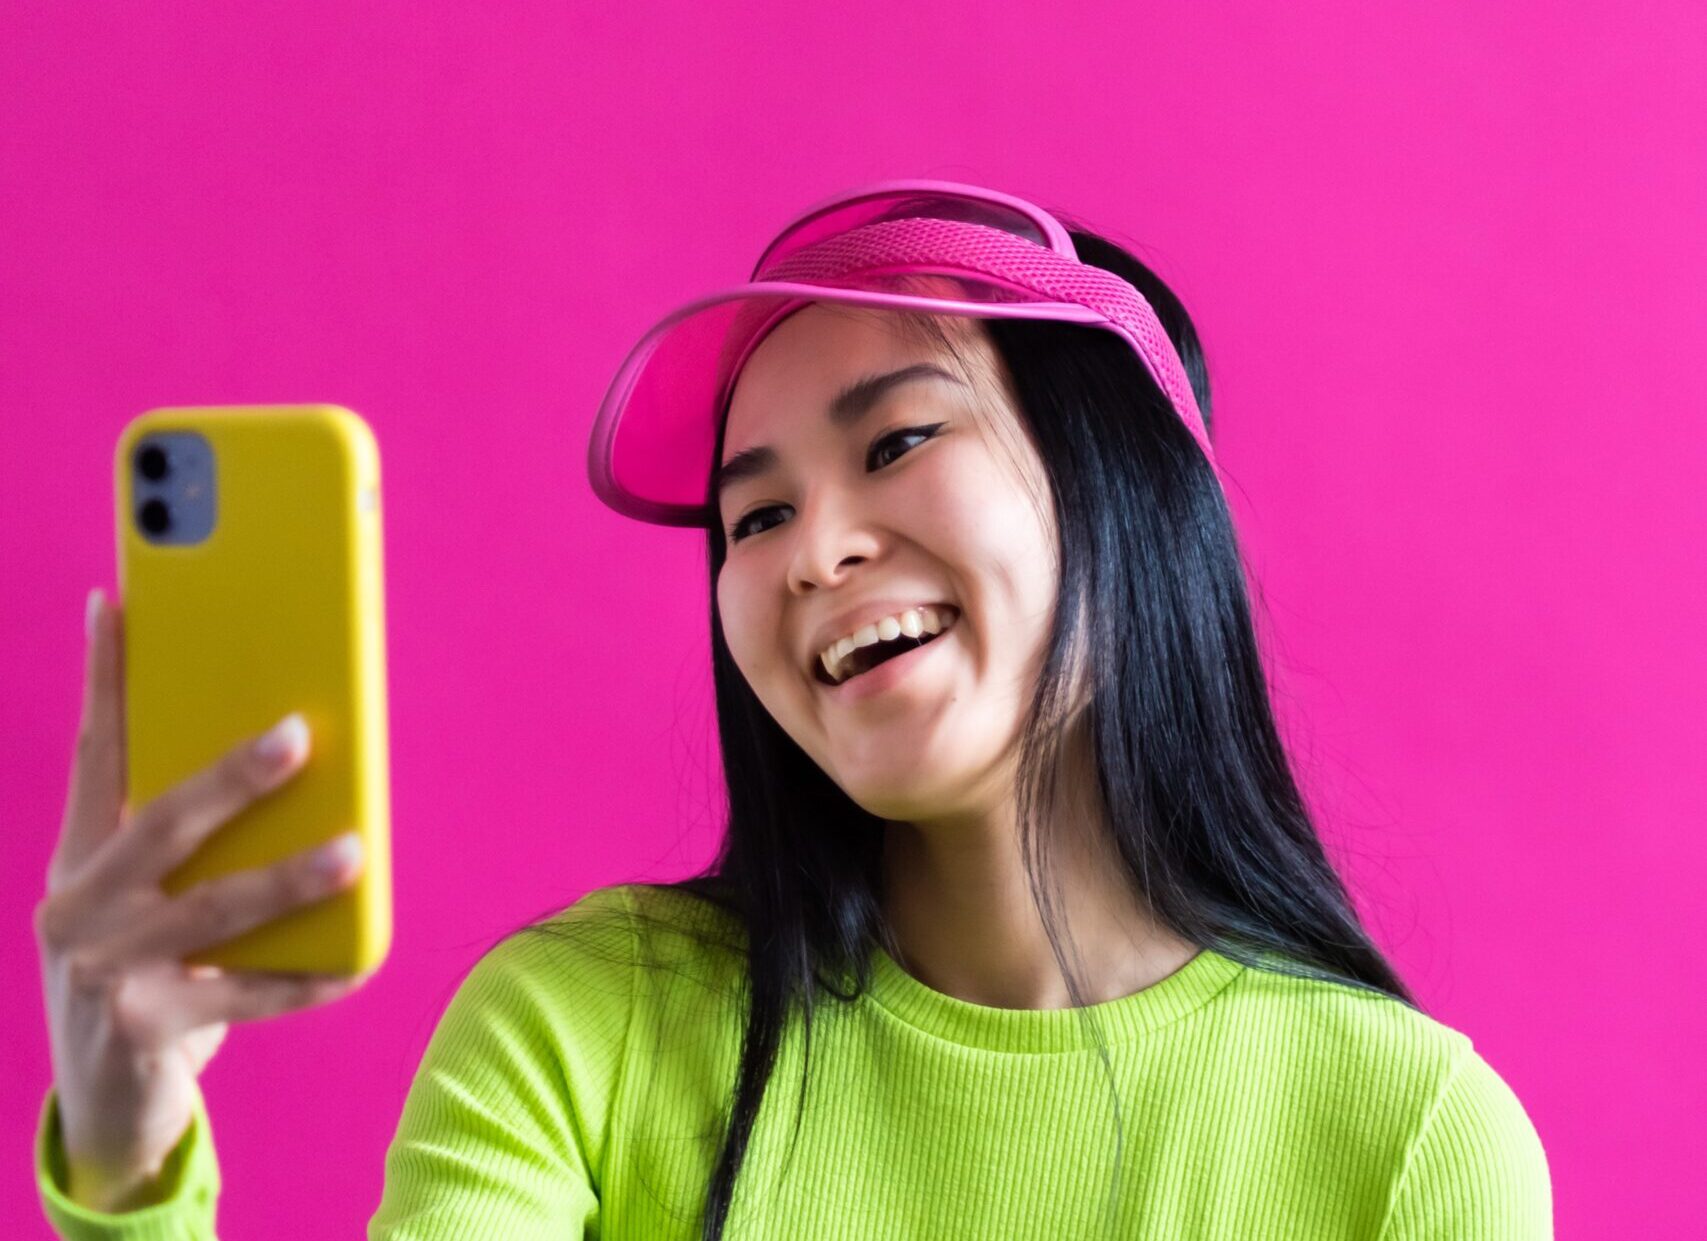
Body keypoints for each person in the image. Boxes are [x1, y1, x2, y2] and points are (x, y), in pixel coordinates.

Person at [34, 181, 1553, 1239]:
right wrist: (125, 1164)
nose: (810, 550)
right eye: (751, 519)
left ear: (1125, 498)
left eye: (897, 439)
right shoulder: (583, 1026)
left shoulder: (1409, 1139)